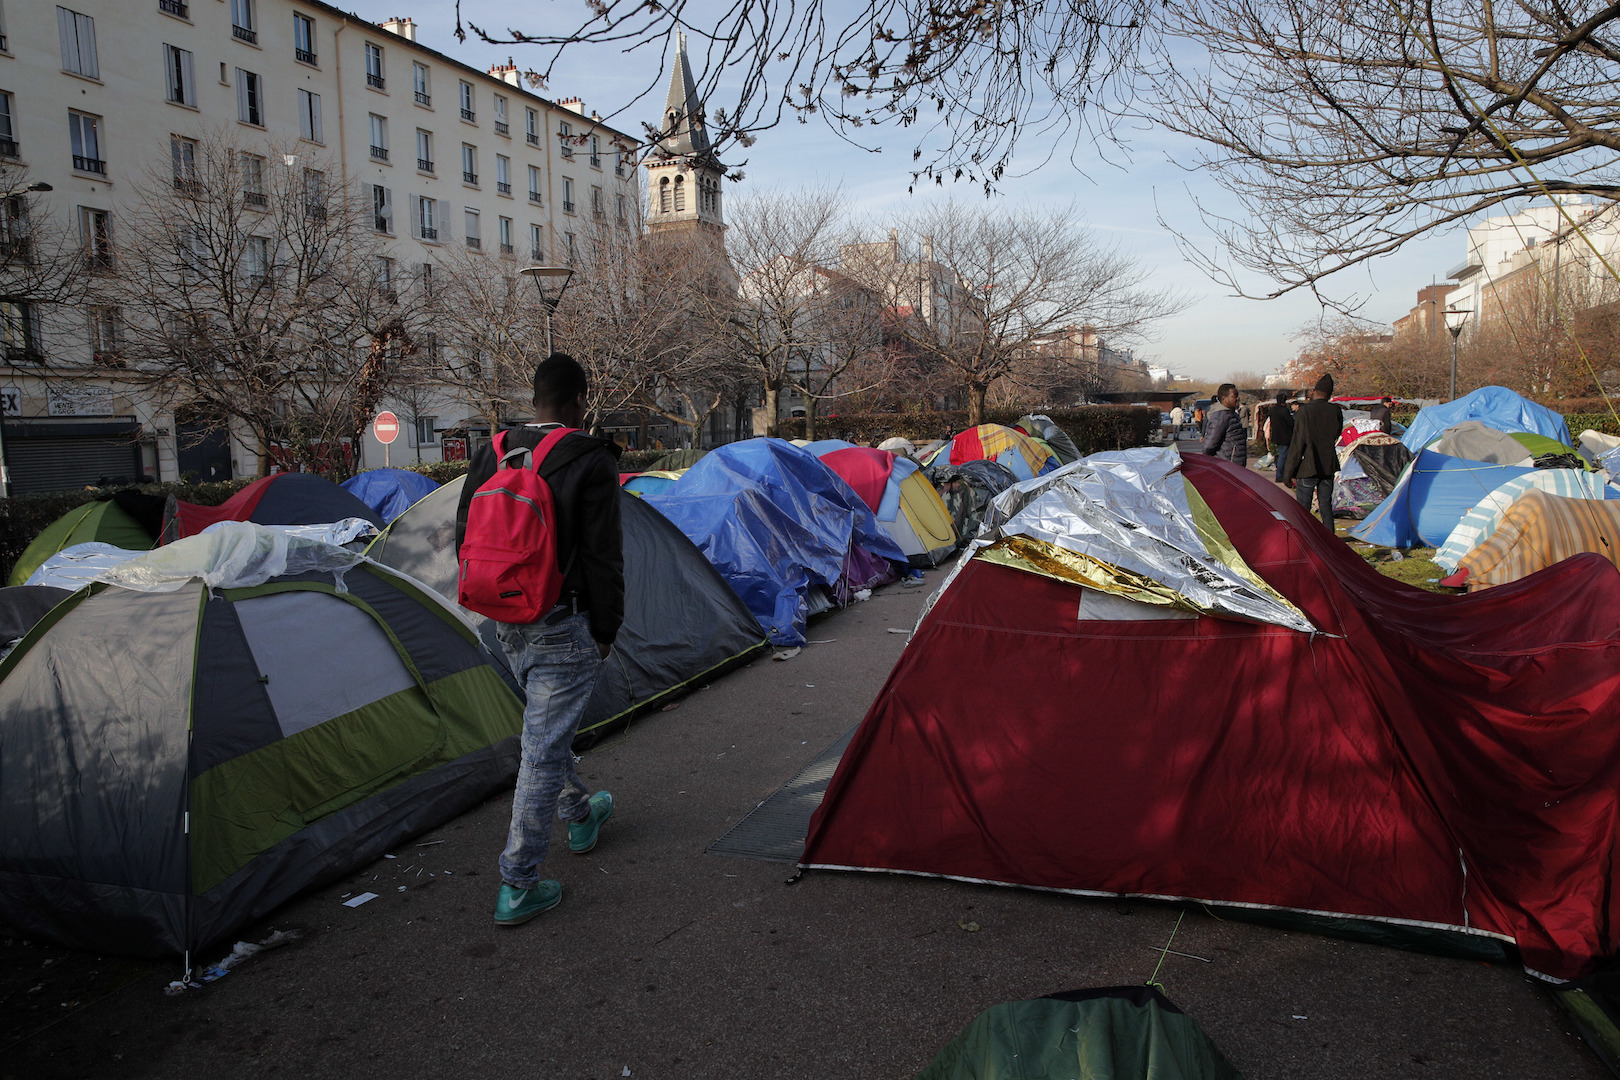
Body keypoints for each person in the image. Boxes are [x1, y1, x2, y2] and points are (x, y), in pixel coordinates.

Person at [455, 354, 625, 927]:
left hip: (505, 619)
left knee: (542, 733)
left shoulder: (494, 450)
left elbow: (464, 536)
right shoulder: (590, 459)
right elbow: (604, 557)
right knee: (541, 750)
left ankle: (580, 811)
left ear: (535, 399)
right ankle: (517, 882)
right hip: (565, 622)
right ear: (580, 400)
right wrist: (606, 630)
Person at [1282, 374, 1345, 530]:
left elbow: (1297, 443)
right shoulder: (1335, 410)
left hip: (1308, 465)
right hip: (1328, 464)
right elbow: (1337, 433)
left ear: (1314, 392)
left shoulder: (1305, 411)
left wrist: (1288, 473)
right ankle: (1330, 540)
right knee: (1325, 506)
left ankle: (1305, 539)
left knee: (1303, 508)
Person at [1202, 383, 1247, 466]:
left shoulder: (1233, 415)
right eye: (1234, 396)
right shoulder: (1221, 417)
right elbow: (1209, 445)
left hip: (1235, 466)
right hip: (1227, 466)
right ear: (1224, 398)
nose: (1238, 398)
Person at [1265, 389, 1294, 484]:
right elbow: (1291, 423)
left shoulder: (1273, 410)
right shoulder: (1284, 411)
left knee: (1281, 455)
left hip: (1276, 435)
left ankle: (1281, 474)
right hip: (1285, 436)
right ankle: (1280, 475)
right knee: (1284, 456)